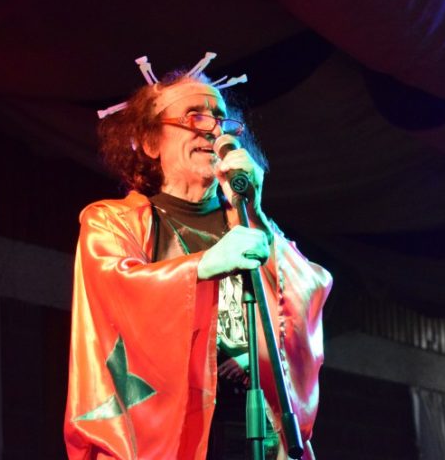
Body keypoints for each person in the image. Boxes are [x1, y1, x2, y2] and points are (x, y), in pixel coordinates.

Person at [64, 55, 332, 460]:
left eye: (220, 119)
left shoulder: (246, 222)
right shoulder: (112, 222)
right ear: (151, 142)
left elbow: (306, 296)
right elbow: (116, 294)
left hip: (254, 429)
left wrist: (255, 212)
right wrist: (201, 267)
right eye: (194, 117)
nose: (213, 130)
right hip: (165, 435)